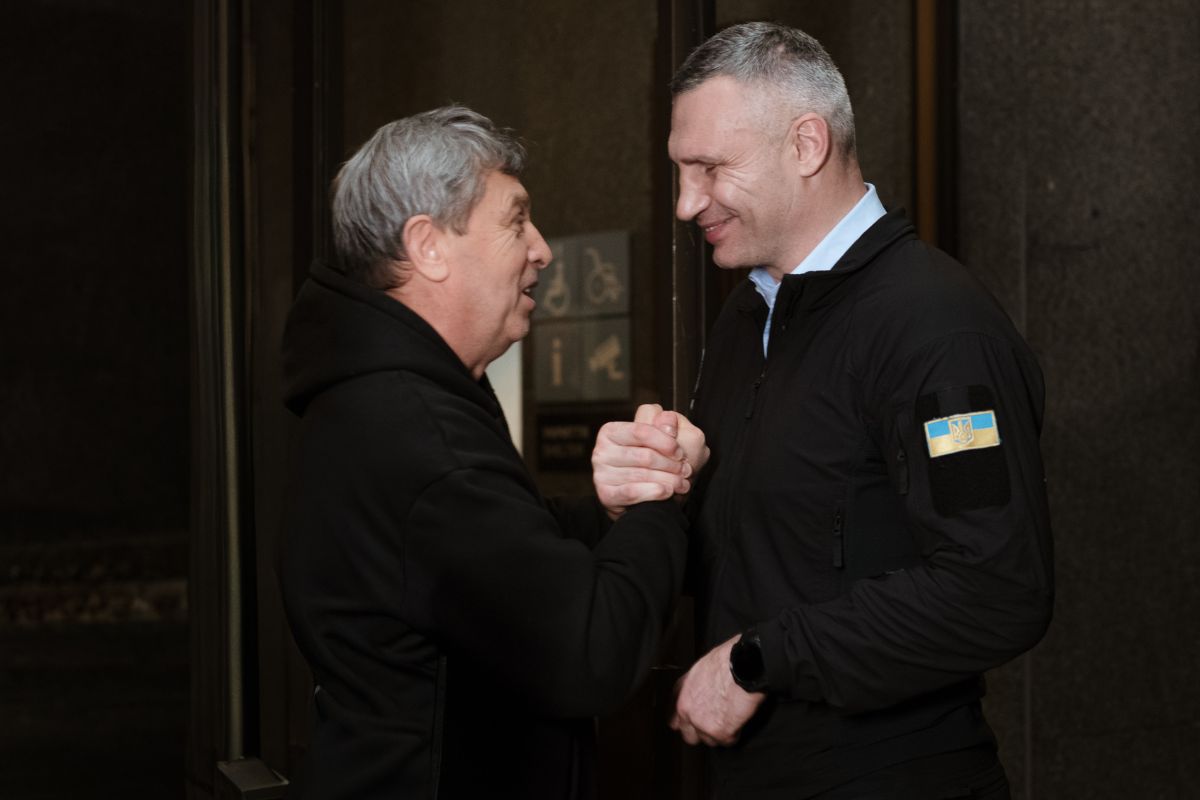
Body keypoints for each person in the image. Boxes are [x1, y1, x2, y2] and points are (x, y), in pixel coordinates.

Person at [660, 21, 1052, 799]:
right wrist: (652, 494)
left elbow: (996, 591)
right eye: (680, 171)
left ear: (806, 145)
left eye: (709, 169)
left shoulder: (936, 326)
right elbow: (764, 546)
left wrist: (756, 660)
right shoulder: (749, 315)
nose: (685, 203)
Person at [279, 106, 707, 800]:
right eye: (516, 221)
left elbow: (502, 551)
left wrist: (610, 510)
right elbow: (591, 652)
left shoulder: (377, 401)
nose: (542, 249)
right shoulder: (420, 439)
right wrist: (662, 495)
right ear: (428, 246)